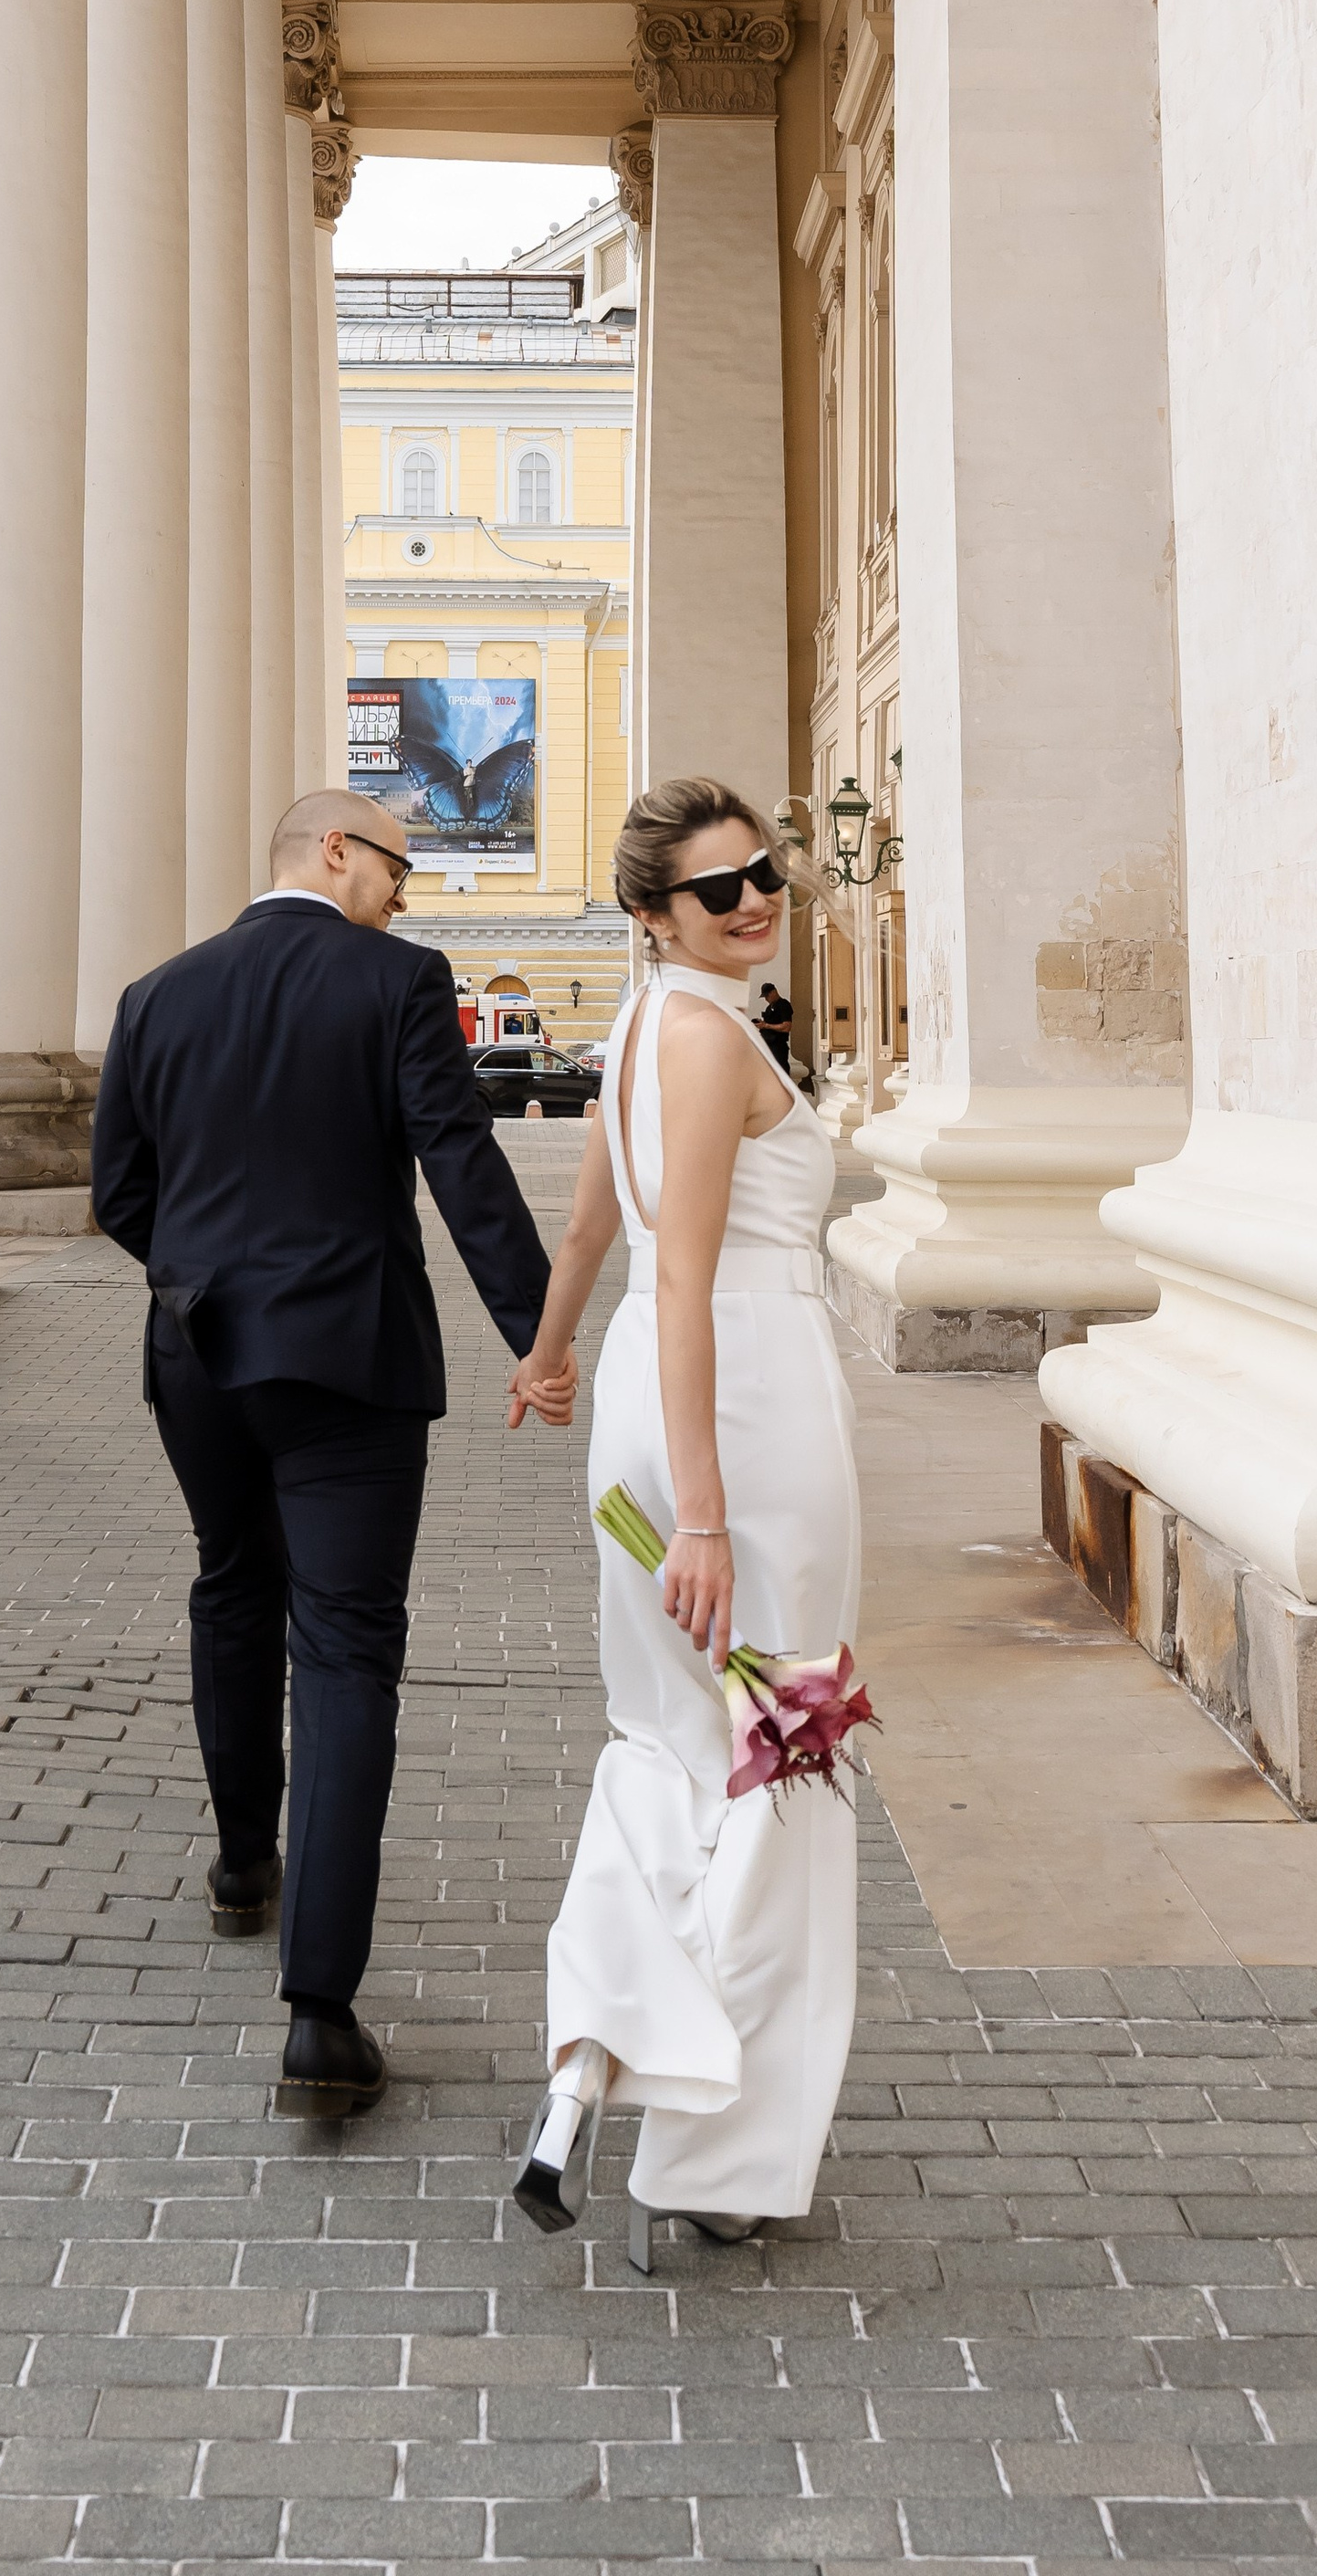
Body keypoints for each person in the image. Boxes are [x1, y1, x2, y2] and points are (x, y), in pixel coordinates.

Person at [90, 790, 567, 2122]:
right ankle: (319, 2016)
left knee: (231, 1586)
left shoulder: (156, 994)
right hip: (349, 1362)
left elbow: (120, 1192)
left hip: (195, 1355)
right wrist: (540, 1337)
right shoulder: (399, 981)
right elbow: (460, 1163)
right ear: (337, 853)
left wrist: (199, 1283)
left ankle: (246, 1861)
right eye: (399, 869)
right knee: (347, 1647)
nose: (408, 897)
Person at [507, 774, 862, 2255]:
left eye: (765, 873)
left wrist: (546, 1348)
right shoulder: (709, 1036)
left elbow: (598, 1219)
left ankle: (588, 2063)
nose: (758, 901)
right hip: (743, 1419)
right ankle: (716, 2159)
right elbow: (699, 1273)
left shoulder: (643, 1022)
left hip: (651, 1423)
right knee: (781, 1756)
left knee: (669, 1743)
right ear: (658, 916)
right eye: (721, 892)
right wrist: (707, 1519)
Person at [757, 981, 795, 1079]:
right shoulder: (770, 1008)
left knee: (781, 1074)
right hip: (768, 1045)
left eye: (767, 995)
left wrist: (766, 1026)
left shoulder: (783, 1005)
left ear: (774, 992)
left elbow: (787, 1027)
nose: (766, 999)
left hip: (778, 1046)